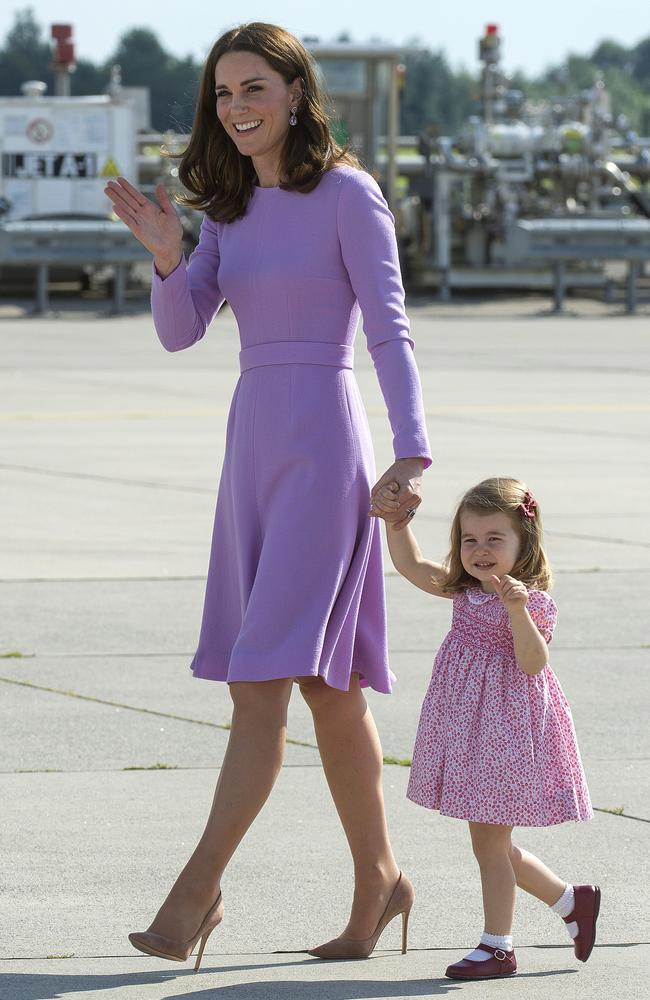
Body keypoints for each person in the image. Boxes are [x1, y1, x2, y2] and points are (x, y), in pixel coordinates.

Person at [104, 21, 430, 971]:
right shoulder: (229, 209)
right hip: (252, 451)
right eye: (222, 94)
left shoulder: (347, 192)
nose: (236, 108)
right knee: (327, 688)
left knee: (260, 683)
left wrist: (411, 453)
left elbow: (390, 329)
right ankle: (382, 881)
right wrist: (169, 255)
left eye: (254, 88)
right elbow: (180, 332)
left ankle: (193, 895)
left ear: (295, 92)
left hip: (326, 447)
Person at [377, 476, 598, 980]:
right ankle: (571, 902)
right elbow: (411, 566)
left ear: (525, 542)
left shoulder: (532, 602)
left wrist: (516, 610)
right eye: (469, 540)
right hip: (468, 728)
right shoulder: (465, 590)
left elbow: (532, 663)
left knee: (489, 845)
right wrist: (396, 523)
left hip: (507, 732)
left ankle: (498, 947)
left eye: (494, 540)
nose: (479, 550)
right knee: (490, 844)